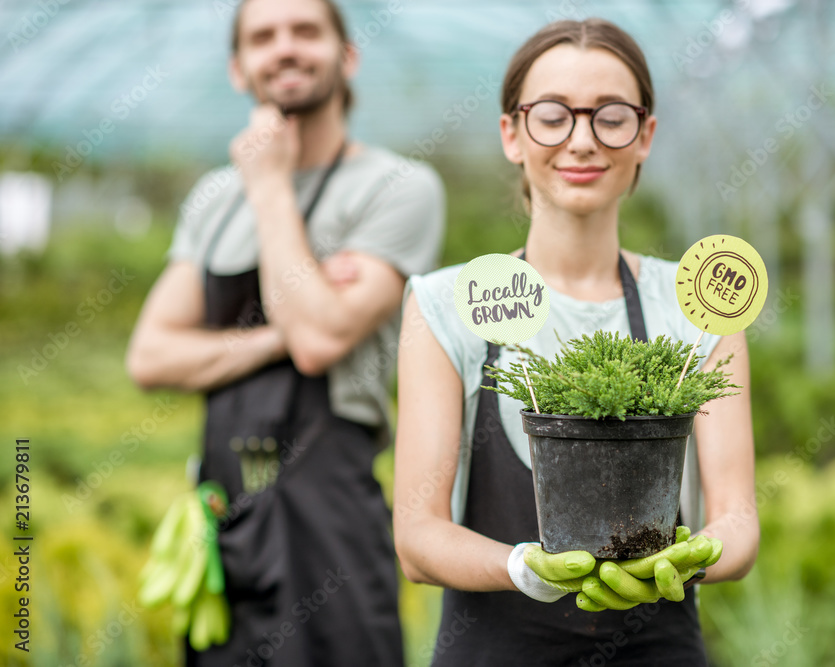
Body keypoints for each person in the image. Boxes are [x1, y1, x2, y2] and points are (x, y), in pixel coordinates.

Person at [394, 18, 757, 665]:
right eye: (553, 115)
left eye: (611, 116)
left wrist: (683, 560)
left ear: (645, 134)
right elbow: (417, 536)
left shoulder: (699, 304)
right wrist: (520, 565)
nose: (582, 140)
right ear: (512, 133)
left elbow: (738, 520)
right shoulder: (445, 303)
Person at [126, 0, 444, 664]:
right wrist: (285, 324)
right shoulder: (216, 198)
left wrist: (271, 189)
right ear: (239, 69)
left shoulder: (398, 187)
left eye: (306, 31)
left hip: (327, 515)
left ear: (347, 55)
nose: (285, 48)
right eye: (263, 37)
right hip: (225, 511)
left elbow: (321, 342)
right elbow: (151, 355)